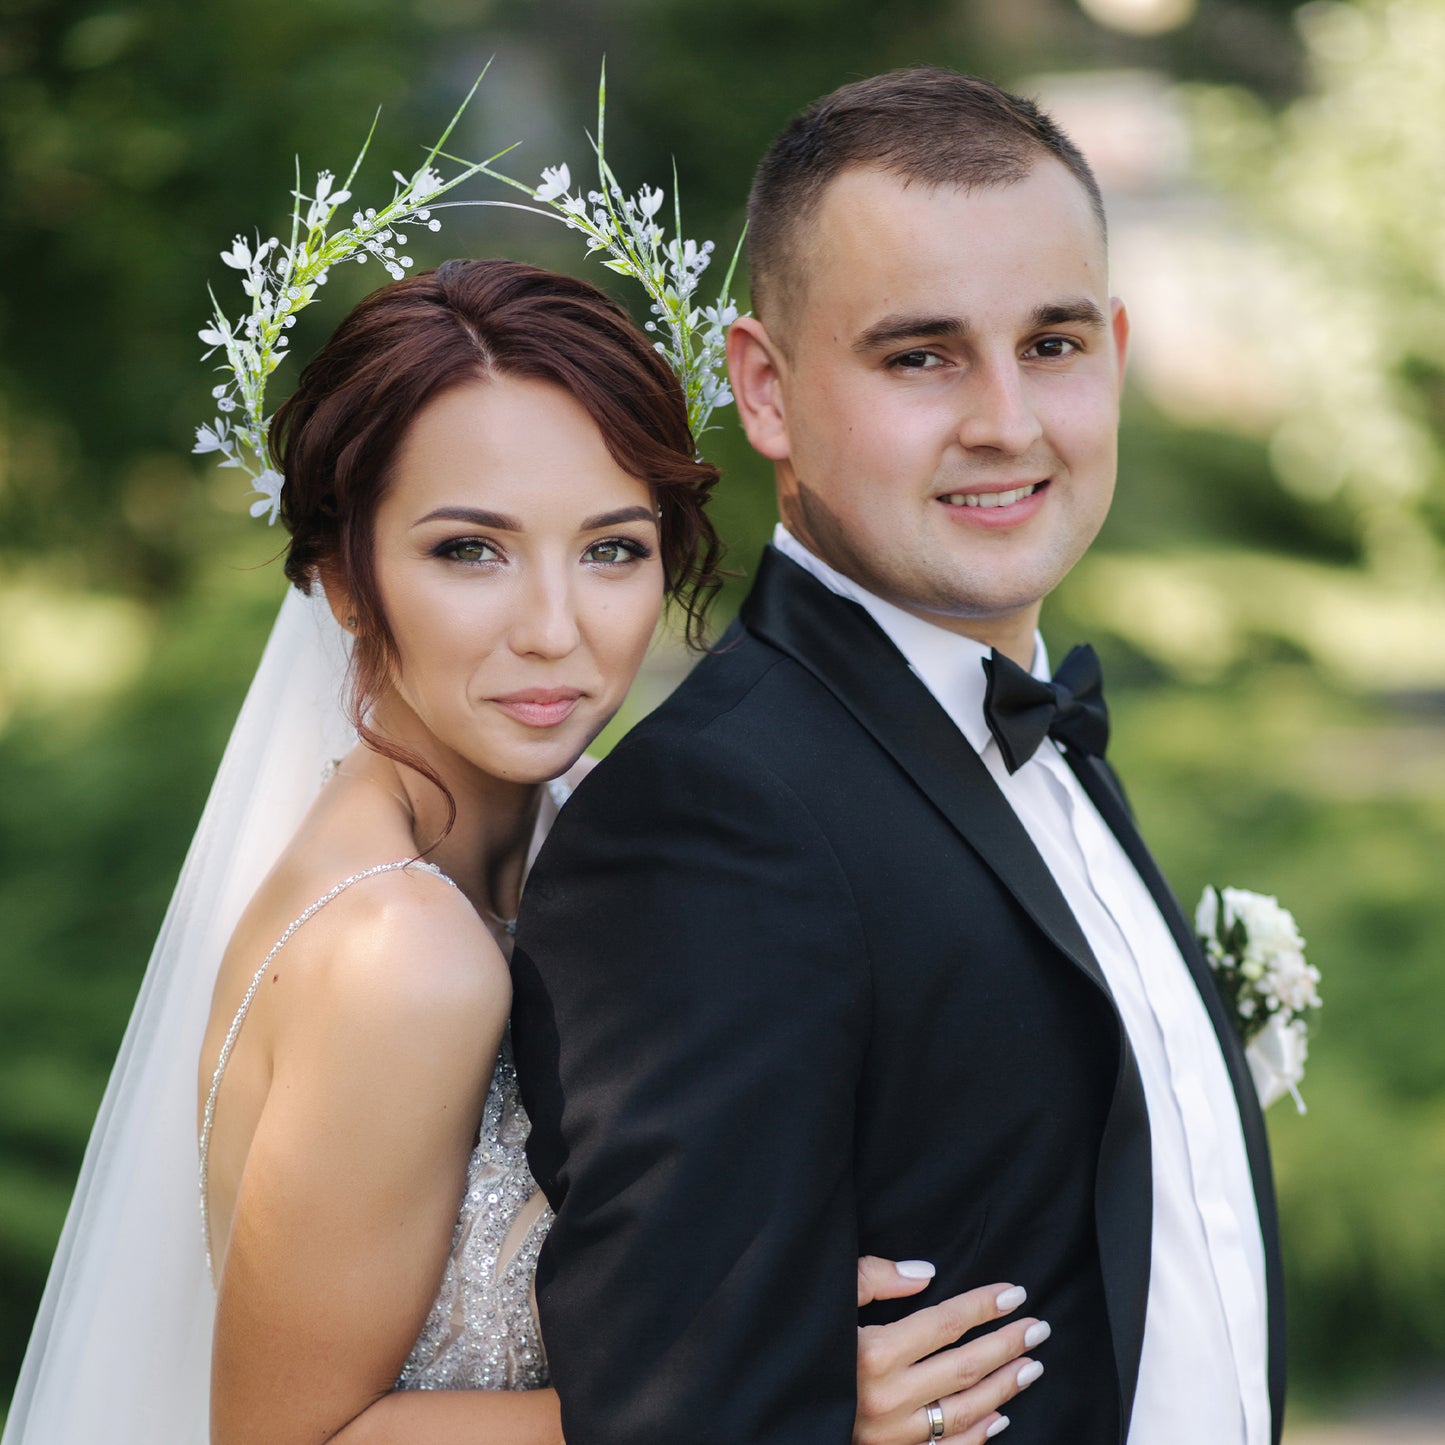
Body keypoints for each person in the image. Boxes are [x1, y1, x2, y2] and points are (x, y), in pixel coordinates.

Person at [3, 256, 1044, 1445]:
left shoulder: (605, 833)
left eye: (609, 548)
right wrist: (765, 1391)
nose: (554, 631)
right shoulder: (401, 957)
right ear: (344, 576)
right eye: (468, 550)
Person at [510, 67, 1287, 1445]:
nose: (1004, 419)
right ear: (765, 389)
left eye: (1050, 343)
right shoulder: (710, 820)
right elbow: (675, 1408)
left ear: (1114, 346)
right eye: (920, 355)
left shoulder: (1036, 722)